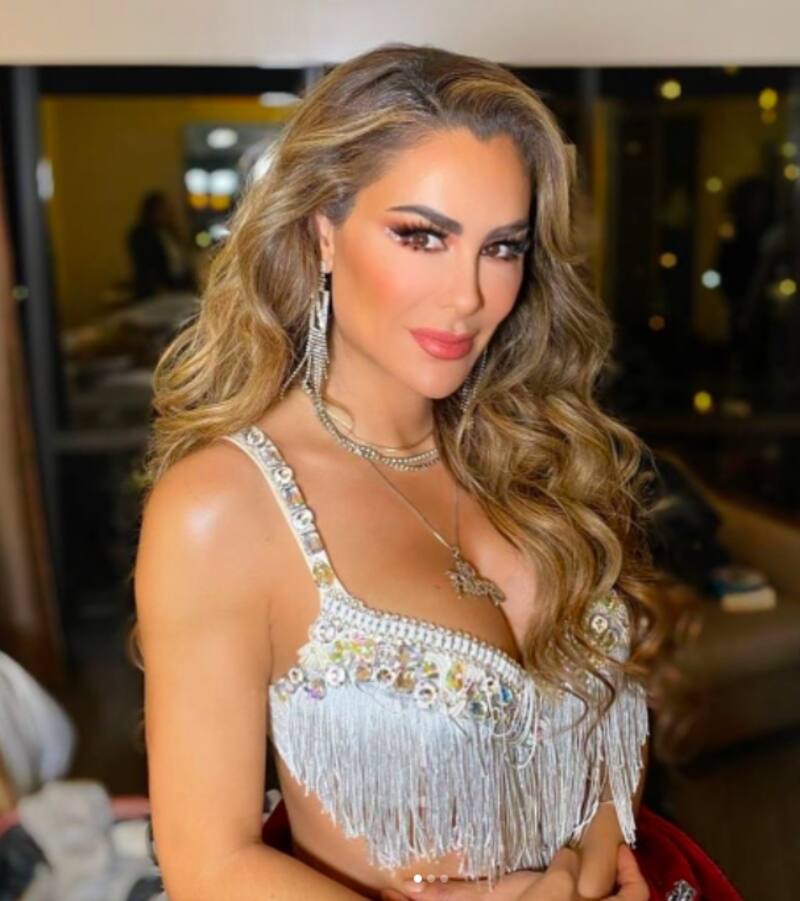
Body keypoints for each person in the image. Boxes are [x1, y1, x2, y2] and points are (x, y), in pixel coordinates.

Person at [131, 43, 742, 901]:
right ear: (322, 230)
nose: (468, 296)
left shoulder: (540, 457)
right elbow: (209, 864)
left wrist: (596, 863)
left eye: (503, 247)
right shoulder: (223, 506)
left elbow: (602, 734)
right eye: (422, 235)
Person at [127, 191, 195, 299]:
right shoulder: (141, 235)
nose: (166, 213)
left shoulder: (171, 233)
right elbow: (145, 265)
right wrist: (157, 286)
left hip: (179, 286)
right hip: (157, 290)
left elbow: (181, 260)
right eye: (162, 209)